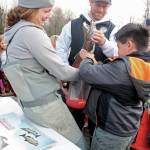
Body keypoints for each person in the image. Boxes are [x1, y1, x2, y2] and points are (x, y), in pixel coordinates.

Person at [2, 0, 87, 149]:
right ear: (32, 10)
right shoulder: (31, 32)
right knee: (77, 144)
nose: (49, 16)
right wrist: (88, 72)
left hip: (30, 106)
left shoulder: (13, 32)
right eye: (46, 11)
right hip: (47, 108)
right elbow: (61, 71)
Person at [79, 23, 150, 150]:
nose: (117, 51)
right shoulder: (143, 64)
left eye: (118, 46)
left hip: (110, 133)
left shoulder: (123, 68)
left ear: (129, 44)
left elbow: (86, 73)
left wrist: (87, 59)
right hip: (129, 128)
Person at [56, 0, 118, 130]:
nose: (101, 9)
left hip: (99, 86)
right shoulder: (72, 25)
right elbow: (60, 49)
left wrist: (104, 43)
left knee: (96, 123)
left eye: (105, 6)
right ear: (90, 2)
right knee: (73, 121)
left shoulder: (113, 28)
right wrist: (66, 72)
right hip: (76, 82)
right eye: (98, 5)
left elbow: (118, 53)